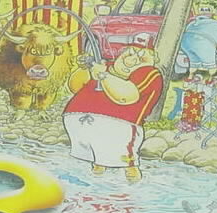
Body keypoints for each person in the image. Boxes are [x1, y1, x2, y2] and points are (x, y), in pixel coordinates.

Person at [63, 33, 163, 182]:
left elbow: (126, 96)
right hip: (79, 122)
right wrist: (85, 68)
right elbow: (75, 86)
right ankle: (94, 180)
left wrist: (103, 76)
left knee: (124, 162)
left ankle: (133, 186)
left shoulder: (149, 74)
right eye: (129, 54)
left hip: (117, 126)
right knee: (96, 161)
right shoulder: (105, 66)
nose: (131, 60)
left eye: (141, 58)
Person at [179, 0, 217, 78]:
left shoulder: (192, 23)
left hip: (185, 44)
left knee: (194, 61)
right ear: (212, 14)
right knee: (211, 65)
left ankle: (190, 77)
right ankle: (211, 79)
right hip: (203, 44)